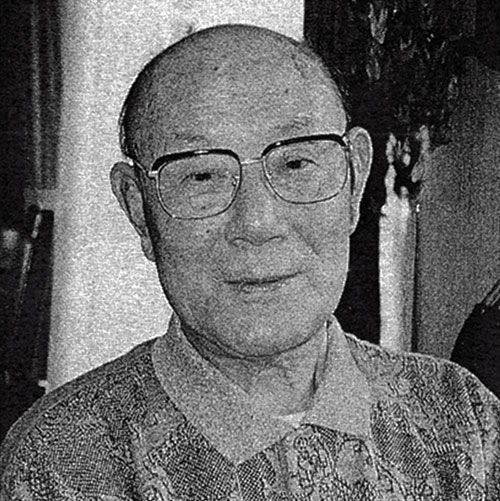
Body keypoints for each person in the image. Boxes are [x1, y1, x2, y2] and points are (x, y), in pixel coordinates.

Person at [1, 24, 499, 500]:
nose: (258, 222)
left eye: (297, 163)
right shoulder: (60, 461)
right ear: (139, 209)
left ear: (354, 179)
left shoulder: (463, 420)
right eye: (202, 176)